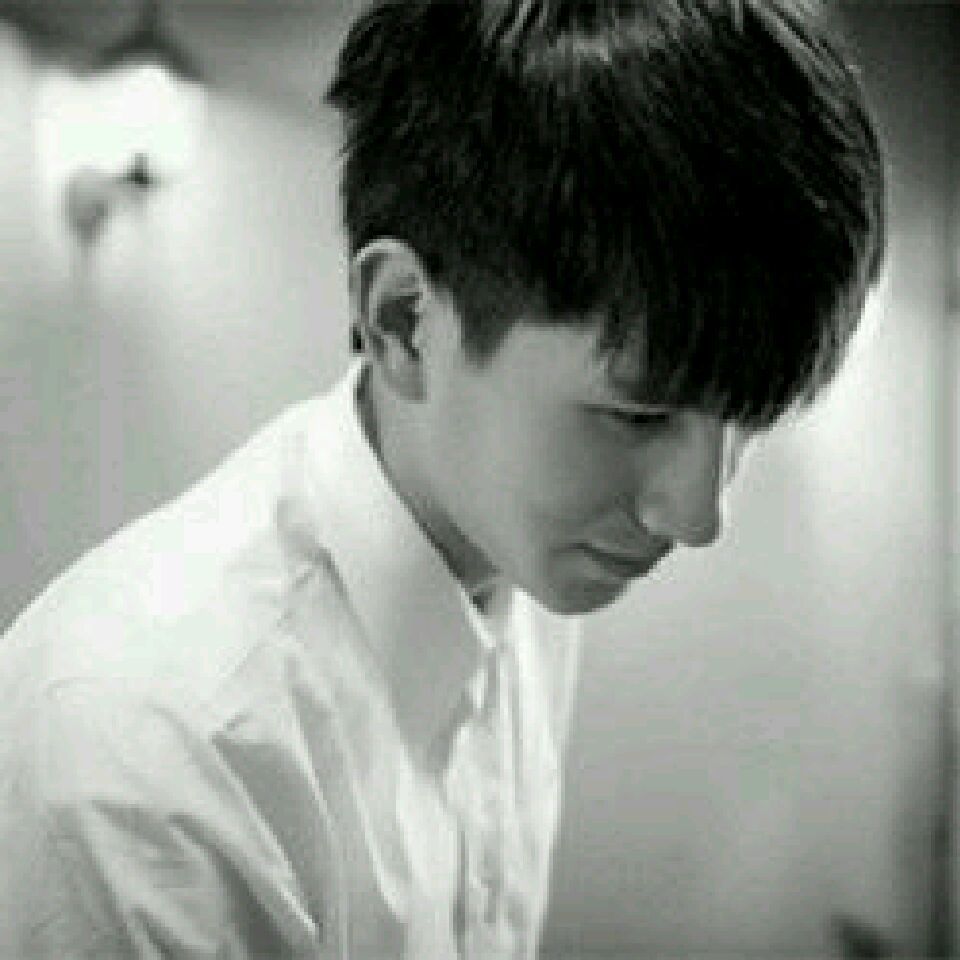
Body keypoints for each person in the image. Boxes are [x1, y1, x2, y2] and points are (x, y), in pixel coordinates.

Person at [0, 0, 886, 957]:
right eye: (639, 415)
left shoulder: (529, 563)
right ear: (405, 320)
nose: (698, 514)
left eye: (747, 420)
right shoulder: (145, 761)